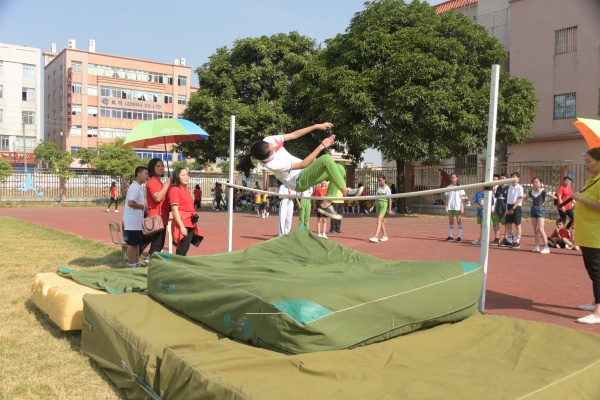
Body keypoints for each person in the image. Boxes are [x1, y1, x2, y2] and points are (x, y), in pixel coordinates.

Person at [237, 122, 363, 221]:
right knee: (326, 159)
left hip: (305, 173)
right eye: (272, 149)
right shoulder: (272, 164)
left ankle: (326, 204)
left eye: (271, 145)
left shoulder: (269, 140)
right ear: (267, 156)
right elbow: (303, 164)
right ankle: (346, 192)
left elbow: (294, 135)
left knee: (340, 169)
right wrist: (322, 146)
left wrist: (317, 126)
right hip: (299, 181)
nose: (274, 146)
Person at [570, 148, 600, 323]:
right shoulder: (593, 179)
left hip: (595, 235)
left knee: (597, 273)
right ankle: (596, 302)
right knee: (593, 271)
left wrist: (581, 199)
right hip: (588, 234)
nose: (586, 164)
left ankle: (598, 313)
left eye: (589, 161)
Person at [140, 158, 171, 263]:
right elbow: (157, 198)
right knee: (157, 244)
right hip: (156, 217)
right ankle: (150, 261)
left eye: (162, 166)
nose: (161, 168)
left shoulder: (159, 182)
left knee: (156, 242)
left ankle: (138, 257)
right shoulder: (152, 182)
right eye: (158, 166)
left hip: (162, 217)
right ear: (152, 168)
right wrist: (167, 185)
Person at [169, 168, 203, 256]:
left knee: (185, 249)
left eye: (187, 175)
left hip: (190, 221)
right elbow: (174, 210)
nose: (186, 177)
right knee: (182, 250)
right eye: (183, 175)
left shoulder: (186, 190)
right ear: (177, 176)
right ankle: (177, 265)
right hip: (182, 222)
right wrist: (181, 226)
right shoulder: (174, 190)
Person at [123, 166, 148, 268]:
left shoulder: (138, 187)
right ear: (138, 174)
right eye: (145, 173)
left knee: (137, 243)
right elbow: (131, 203)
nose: (147, 176)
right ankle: (132, 264)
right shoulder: (134, 187)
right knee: (132, 243)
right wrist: (143, 206)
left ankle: (136, 262)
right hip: (132, 220)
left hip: (136, 220)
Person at [525, 177, 556, 254]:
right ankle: (537, 246)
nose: (535, 184)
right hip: (533, 209)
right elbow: (524, 199)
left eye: (537, 182)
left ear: (540, 183)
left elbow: (554, 197)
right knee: (535, 229)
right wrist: (530, 203)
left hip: (540, 209)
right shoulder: (531, 192)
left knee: (541, 228)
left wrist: (545, 202)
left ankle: (546, 247)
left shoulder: (543, 191)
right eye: (534, 182)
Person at [503, 172, 524, 249]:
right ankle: (509, 241)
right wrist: (506, 209)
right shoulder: (509, 188)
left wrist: (513, 208)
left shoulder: (519, 187)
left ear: (518, 179)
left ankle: (517, 242)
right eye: (512, 177)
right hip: (509, 206)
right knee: (508, 224)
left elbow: (519, 199)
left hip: (516, 207)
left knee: (517, 225)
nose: (513, 179)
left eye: (514, 177)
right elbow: (508, 199)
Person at [369, 175, 392, 242]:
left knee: (378, 221)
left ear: (384, 180)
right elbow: (376, 198)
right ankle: (385, 236)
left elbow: (390, 199)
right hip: (378, 205)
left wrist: (390, 209)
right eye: (378, 181)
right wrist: (373, 206)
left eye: (380, 180)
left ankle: (376, 237)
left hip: (383, 205)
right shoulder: (379, 188)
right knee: (381, 221)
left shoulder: (387, 188)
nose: (379, 182)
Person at [444, 173, 466, 243]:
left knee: (459, 221)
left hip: (457, 207)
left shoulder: (460, 187)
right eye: (451, 178)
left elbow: (462, 198)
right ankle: (451, 236)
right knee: (451, 221)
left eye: (454, 178)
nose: (453, 179)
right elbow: (447, 198)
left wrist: (462, 207)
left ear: (457, 178)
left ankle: (459, 236)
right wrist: (446, 207)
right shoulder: (448, 187)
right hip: (450, 207)